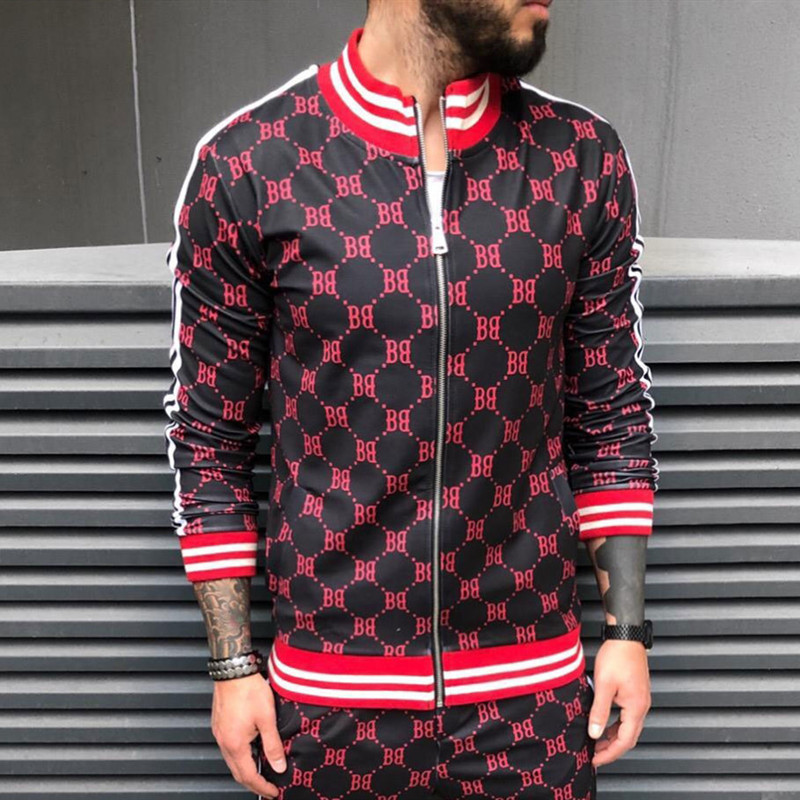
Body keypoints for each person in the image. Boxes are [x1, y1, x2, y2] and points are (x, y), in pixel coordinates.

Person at [162, 0, 659, 797]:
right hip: (329, 701)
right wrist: (231, 665)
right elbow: (209, 439)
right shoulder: (254, 163)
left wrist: (626, 633)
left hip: (530, 698)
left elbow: (609, 413)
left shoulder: (578, 158)